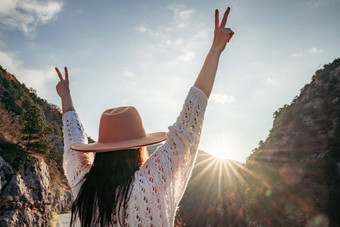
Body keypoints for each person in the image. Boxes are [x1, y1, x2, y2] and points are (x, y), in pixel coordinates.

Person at [55, 6, 234, 227]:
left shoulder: (85, 187)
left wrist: (66, 97)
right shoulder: (149, 183)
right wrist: (215, 51)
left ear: (101, 151)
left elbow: (73, 143)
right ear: (139, 147)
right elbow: (189, 122)